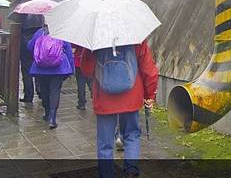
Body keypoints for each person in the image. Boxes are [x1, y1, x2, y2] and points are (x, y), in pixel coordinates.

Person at [81, 39, 158, 178]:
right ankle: (131, 172)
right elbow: (149, 69)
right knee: (132, 135)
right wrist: (150, 95)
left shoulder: (96, 37)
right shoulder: (135, 36)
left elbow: (86, 69)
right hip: (131, 97)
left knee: (105, 144)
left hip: (105, 99)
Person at [27, 25, 75, 129]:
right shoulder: (62, 32)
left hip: (41, 68)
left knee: (44, 90)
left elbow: (30, 47)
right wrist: (71, 69)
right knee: (55, 91)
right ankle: (53, 118)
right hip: (58, 68)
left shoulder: (39, 32)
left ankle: (47, 112)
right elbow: (69, 52)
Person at [19, 24, 40, 103]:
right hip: (37, 45)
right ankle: (40, 90)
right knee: (38, 67)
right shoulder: (40, 18)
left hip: (25, 46)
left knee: (26, 72)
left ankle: (28, 95)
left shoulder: (22, 18)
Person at [72, 44, 92, 110]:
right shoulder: (91, 37)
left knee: (80, 84)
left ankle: (81, 103)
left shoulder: (78, 37)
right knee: (91, 83)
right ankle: (95, 99)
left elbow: (72, 47)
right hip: (89, 63)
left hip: (79, 63)